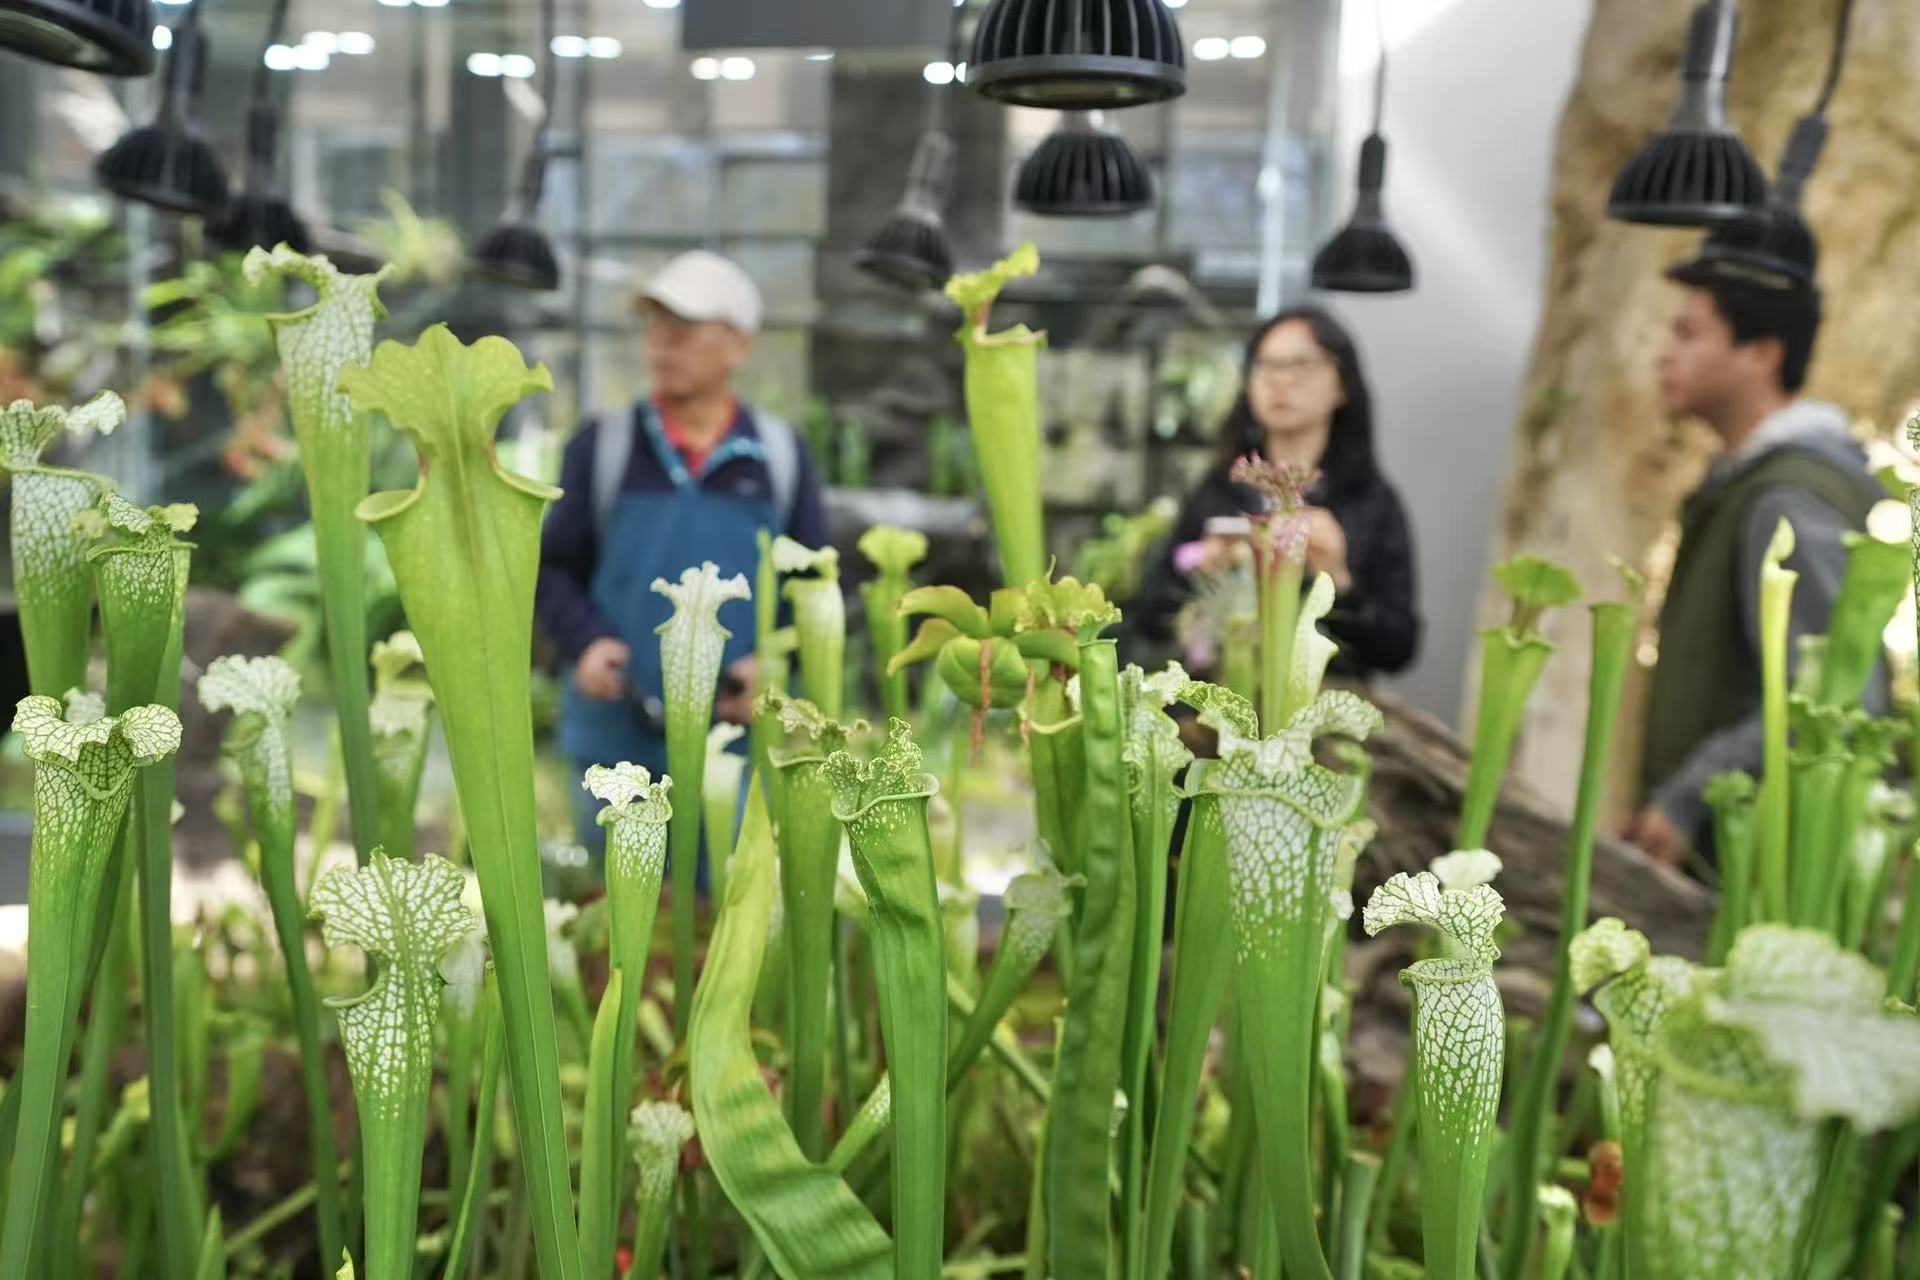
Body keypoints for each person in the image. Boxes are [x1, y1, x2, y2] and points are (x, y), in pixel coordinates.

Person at [536, 250, 830, 850]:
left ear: (738, 346)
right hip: (617, 737)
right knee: (614, 902)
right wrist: (586, 642)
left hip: (734, 738)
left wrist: (773, 663)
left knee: (725, 895)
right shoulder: (605, 447)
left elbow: (817, 585)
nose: (662, 345)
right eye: (655, 328)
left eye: (684, 330)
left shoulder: (777, 457)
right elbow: (554, 568)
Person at [1624, 226, 1883, 867]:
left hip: (1753, 870)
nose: (1664, 355)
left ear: (1763, 352)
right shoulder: (1744, 486)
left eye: (1688, 334)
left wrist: (1687, 799)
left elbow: (1830, 699)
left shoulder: (1787, 501)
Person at [1132, 306, 1422, 681]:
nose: (1280, 380)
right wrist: (1202, 572)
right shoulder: (1221, 489)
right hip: (1223, 697)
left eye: (1302, 364)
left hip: (1324, 703)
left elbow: (1398, 648)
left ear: (1342, 385)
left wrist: (1338, 580)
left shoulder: (1370, 502)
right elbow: (1148, 613)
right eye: (1266, 365)